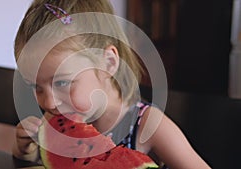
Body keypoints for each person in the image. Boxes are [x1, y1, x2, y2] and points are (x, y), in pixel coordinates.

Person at [12, 0, 211, 168]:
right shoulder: (55, 121)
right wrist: (26, 154)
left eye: (62, 82)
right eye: (35, 86)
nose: (48, 102)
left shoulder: (150, 126)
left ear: (108, 63)